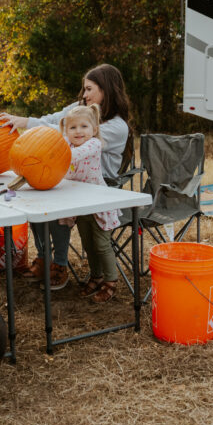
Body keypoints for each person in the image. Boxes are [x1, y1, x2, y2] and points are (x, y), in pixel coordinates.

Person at [0, 63, 133, 290]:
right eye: (84, 89)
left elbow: (67, 135)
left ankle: (59, 264)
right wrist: (24, 122)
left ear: (106, 89)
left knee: (55, 200)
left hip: (100, 188)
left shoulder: (117, 126)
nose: (84, 95)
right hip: (72, 178)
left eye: (89, 89)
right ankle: (44, 257)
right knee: (38, 193)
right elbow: (56, 120)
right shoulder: (81, 108)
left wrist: (39, 135)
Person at [56, 104, 121, 302]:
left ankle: (111, 281)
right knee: (88, 244)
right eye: (73, 127)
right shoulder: (66, 145)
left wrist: (54, 152)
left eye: (84, 126)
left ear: (94, 130)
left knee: (101, 244)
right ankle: (96, 275)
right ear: (66, 131)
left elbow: (73, 156)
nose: (78, 131)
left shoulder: (93, 144)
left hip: (100, 204)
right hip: (81, 204)